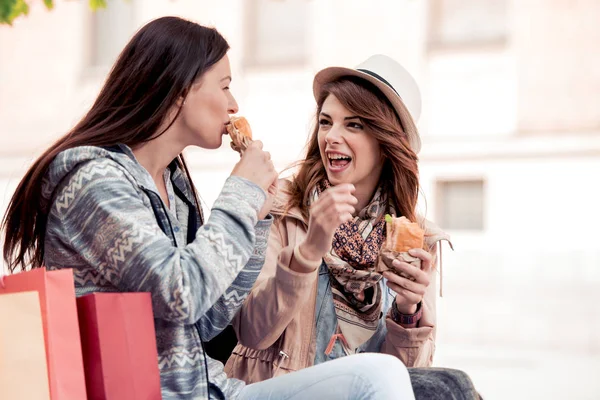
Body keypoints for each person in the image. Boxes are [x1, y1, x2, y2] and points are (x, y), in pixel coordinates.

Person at [1, 18, 415, 400]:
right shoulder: (94, 180)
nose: (234, 104)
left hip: (211, 390)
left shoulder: (173, 186)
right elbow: (182, 294)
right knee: (377, 379)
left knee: (400, 380)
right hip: (152, 392)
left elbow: (208, 320)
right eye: (224, 85)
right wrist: (240, 195)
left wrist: (255, 220)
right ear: (181, 89)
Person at [224, 55, 480, 399]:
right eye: (326, 122)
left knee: (453, 387)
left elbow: (404, 379)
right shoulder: (280, 205)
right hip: (278, 390)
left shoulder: (414, 236)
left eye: (354, 125)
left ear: (387, 143)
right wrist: (309, 249)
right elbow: (252, 331)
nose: (332, 137)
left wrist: (407, 313)